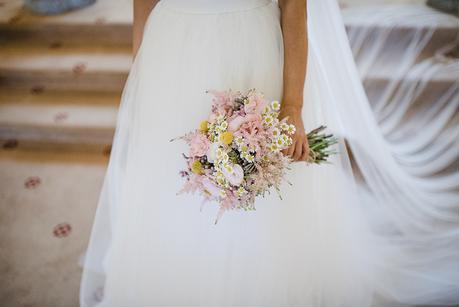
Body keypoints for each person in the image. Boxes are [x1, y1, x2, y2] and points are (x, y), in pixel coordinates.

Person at [80, 1, 459, 306]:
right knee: (172, 185)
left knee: (257, 189)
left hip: (251, 49)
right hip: (172, 51)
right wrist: (141, 72)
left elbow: (295, 8)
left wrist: (293, 105)